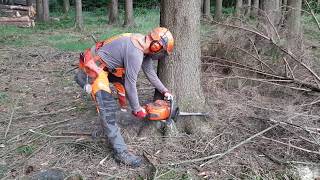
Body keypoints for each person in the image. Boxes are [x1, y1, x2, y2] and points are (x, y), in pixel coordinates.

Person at [74, 27, 174, 167]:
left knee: (122, 97)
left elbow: (150, 72)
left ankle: (117, 121)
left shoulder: (142, 44)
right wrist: (137, 108)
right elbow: (131, 83)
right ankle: (120, 152)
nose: (160, 54)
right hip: (93, 68)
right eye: (162, 51)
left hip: (108, 67)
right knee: (107, 108)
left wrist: (164, 91)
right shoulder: (136, 52)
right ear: (156, 45)